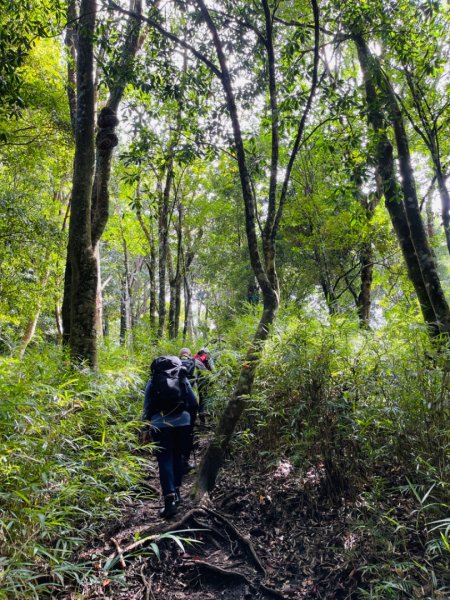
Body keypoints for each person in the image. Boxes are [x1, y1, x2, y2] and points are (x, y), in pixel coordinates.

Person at [143, 355, 197, 518]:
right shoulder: (182, 376)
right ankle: (178, 492)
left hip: (160, 425)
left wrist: (146, 427)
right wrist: (191, 421)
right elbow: (193, 402)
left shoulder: (153, 381)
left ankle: (170, 501)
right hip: (183, 423)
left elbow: (147, 406)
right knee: (178, 457)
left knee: (165, 459)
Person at [194, 347, 213, 423]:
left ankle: (200, 413)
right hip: (202, 381)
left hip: (196, 381)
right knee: (203, 396)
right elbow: (212, 369)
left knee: (201, 396)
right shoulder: (203, 359)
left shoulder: (194, 358)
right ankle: (202, 412)